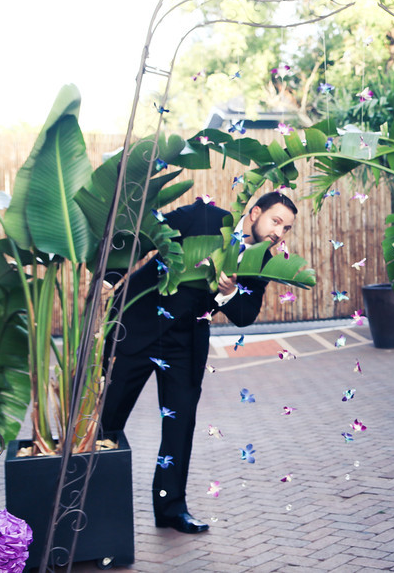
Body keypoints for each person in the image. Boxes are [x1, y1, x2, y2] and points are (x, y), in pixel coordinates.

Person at [101, 191, 297, 534]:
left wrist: (230, 292)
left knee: (179, 428)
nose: (279, 232)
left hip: (185, 345)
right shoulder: (204, 217)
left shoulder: (261, 261)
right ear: (254, 213)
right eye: (275, 221)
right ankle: (91, 501)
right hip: (136, 326)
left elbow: (245, 316)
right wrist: (110, 277)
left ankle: (171, 509)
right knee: (108, 419)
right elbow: (148, 236)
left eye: (287, 228)